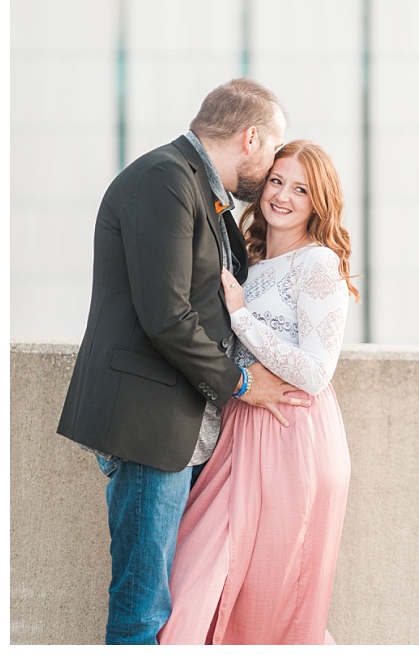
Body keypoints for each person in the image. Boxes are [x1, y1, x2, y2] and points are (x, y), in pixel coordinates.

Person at [57, 78, 309, 645]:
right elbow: (167, 316)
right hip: (150, 430)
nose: (270, 170)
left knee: (177, 607)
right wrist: (243, 383)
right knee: (142, 609)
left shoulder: (203, 192)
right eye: (272, 151)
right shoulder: (164, 180)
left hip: (185, 430)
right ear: (250, 138)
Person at [158, 140, 359, 645]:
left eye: (301, 189)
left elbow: (315, 373)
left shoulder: (318, 264)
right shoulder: (249, 259)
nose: (283, 196)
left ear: (320, 202)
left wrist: (243, 316)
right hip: (238, 429)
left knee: (268, 603)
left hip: (292, 436)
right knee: (192, 582)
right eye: (276, 181)